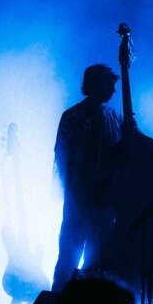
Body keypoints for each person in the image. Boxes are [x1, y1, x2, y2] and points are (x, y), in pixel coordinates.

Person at [51, 64, 125, 291]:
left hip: (104, 201)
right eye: (109, 85)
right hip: (80, 199)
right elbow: (62, 158)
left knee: (98, 259)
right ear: (94, 85)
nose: (113, 90)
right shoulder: (73, 117)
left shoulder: (114, 116)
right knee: (69, 256)